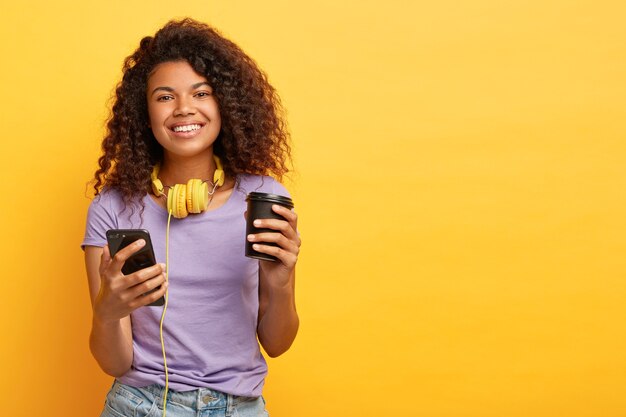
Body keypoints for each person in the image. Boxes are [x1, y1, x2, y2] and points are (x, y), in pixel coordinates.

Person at [81, 18, 300, 417]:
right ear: (144, 115)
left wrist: (281, 282)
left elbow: (278, 343)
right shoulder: (111, 208)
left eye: (202, 92)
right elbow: (113, 363)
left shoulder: (264, 200)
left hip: (240, 408)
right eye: (165, 97)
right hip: (139, 405)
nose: (184, 108)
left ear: (226, 104)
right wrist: (108, 310)